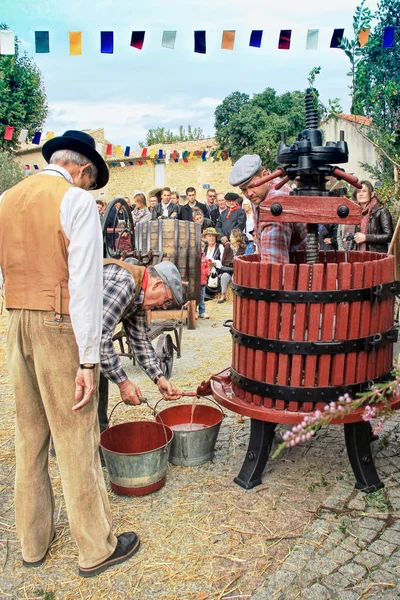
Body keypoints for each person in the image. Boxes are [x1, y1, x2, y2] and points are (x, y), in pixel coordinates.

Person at [0, 130, 139, 578]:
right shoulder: (74, 201)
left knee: (30, 434)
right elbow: (85, 287)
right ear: (82, 169)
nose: (86, 187)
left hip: (17, 319)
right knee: (75, 435)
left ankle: (33, 541)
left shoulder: (6, 198)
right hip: (58, 323)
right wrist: (88, 361)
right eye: (88, 179)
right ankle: (96, 547)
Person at [98, 260, 182, 431]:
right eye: (166, 299)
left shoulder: (139, 295)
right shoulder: (125, 285)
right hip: (65, 333)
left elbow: (140, 340)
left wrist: (159, 378)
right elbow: (98, 337)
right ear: (157, 284)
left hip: (87, 345)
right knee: (78, 405)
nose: (162, 306)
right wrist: (123, 382)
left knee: (99, 388)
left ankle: (98, 442)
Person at [229, 154, 307, 263]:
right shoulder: (260, 194)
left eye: (252, 186)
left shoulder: (276, 205)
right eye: (244, 190)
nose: (249, 194)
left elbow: (273, 264)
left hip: (300, 270)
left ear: (265, 175)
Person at [351, 181, 393, 252]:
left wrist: (366, 237)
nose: (361, 194)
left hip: (376, 256)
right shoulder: (357, 213)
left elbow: (389, 236)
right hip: (359, 254)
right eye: (358, 191)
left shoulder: (381, 211)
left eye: (364, 191)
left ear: (372, 194)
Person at [217, 229, 247, 304]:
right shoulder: (227, 246)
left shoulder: (243, 248)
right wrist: (232, 262)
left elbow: (243, 260)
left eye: (231, 236)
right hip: (228, 269)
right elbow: (223, 261)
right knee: (224, 276)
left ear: (237, 238)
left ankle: (235, 295)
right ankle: (223, 295)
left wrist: (235, 262)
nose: (230, 238)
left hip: (237, 270)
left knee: (235, 277)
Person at [203, 227, 224, 299]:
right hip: (205, 271)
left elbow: (223, 263)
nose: (211, 238)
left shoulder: (220, 247)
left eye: (213, 236)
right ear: (206, 238)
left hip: (216, 272)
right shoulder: (204, 248)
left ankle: (210, 294)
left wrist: (212, 262)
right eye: (209, 236)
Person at [197, 240, 211, 319]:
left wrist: (208, 271)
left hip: (202, 281)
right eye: (199, 246)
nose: (201, 248)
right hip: (195, 282)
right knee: (194, 297)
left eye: (202, 247)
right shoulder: (194, 258)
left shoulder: (205, 258)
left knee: (202, 297)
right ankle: (194, 312)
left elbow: (207, 267)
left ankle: (202, 312)